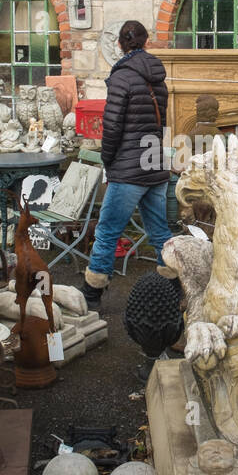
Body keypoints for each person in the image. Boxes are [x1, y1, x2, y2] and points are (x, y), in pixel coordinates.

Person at [80, 20, 172, 308]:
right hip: (154, 163)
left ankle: (92, 296)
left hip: (128, 170)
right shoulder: (158, 78)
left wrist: (109, 161)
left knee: (107, 232)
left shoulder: (121, 77)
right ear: (146, 42)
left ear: (120, 44)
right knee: (160, 232)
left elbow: (112, 126)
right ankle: (175, 289)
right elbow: (161, 124)